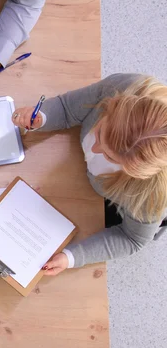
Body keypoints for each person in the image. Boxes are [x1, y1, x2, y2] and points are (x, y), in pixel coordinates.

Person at [11, 74, 167, 275]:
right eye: (100, 132)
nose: (93, 148)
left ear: (134, 171)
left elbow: (132, 239)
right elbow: (69, 107)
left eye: (110, 158)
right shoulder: (123, 87)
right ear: (114, 103)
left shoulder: (149, 197)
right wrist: (43, 118)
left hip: (119, 206)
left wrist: (73, 257)